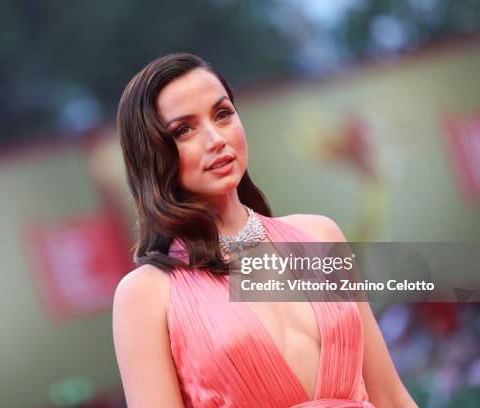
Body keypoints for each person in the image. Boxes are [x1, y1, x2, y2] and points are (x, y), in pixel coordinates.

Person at [112, 53, 417, 408]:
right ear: (151, 155)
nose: (215, 139)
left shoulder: (319, 235)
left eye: (222, 114)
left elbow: (391, 397)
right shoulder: (146, 294)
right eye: (184, 130)